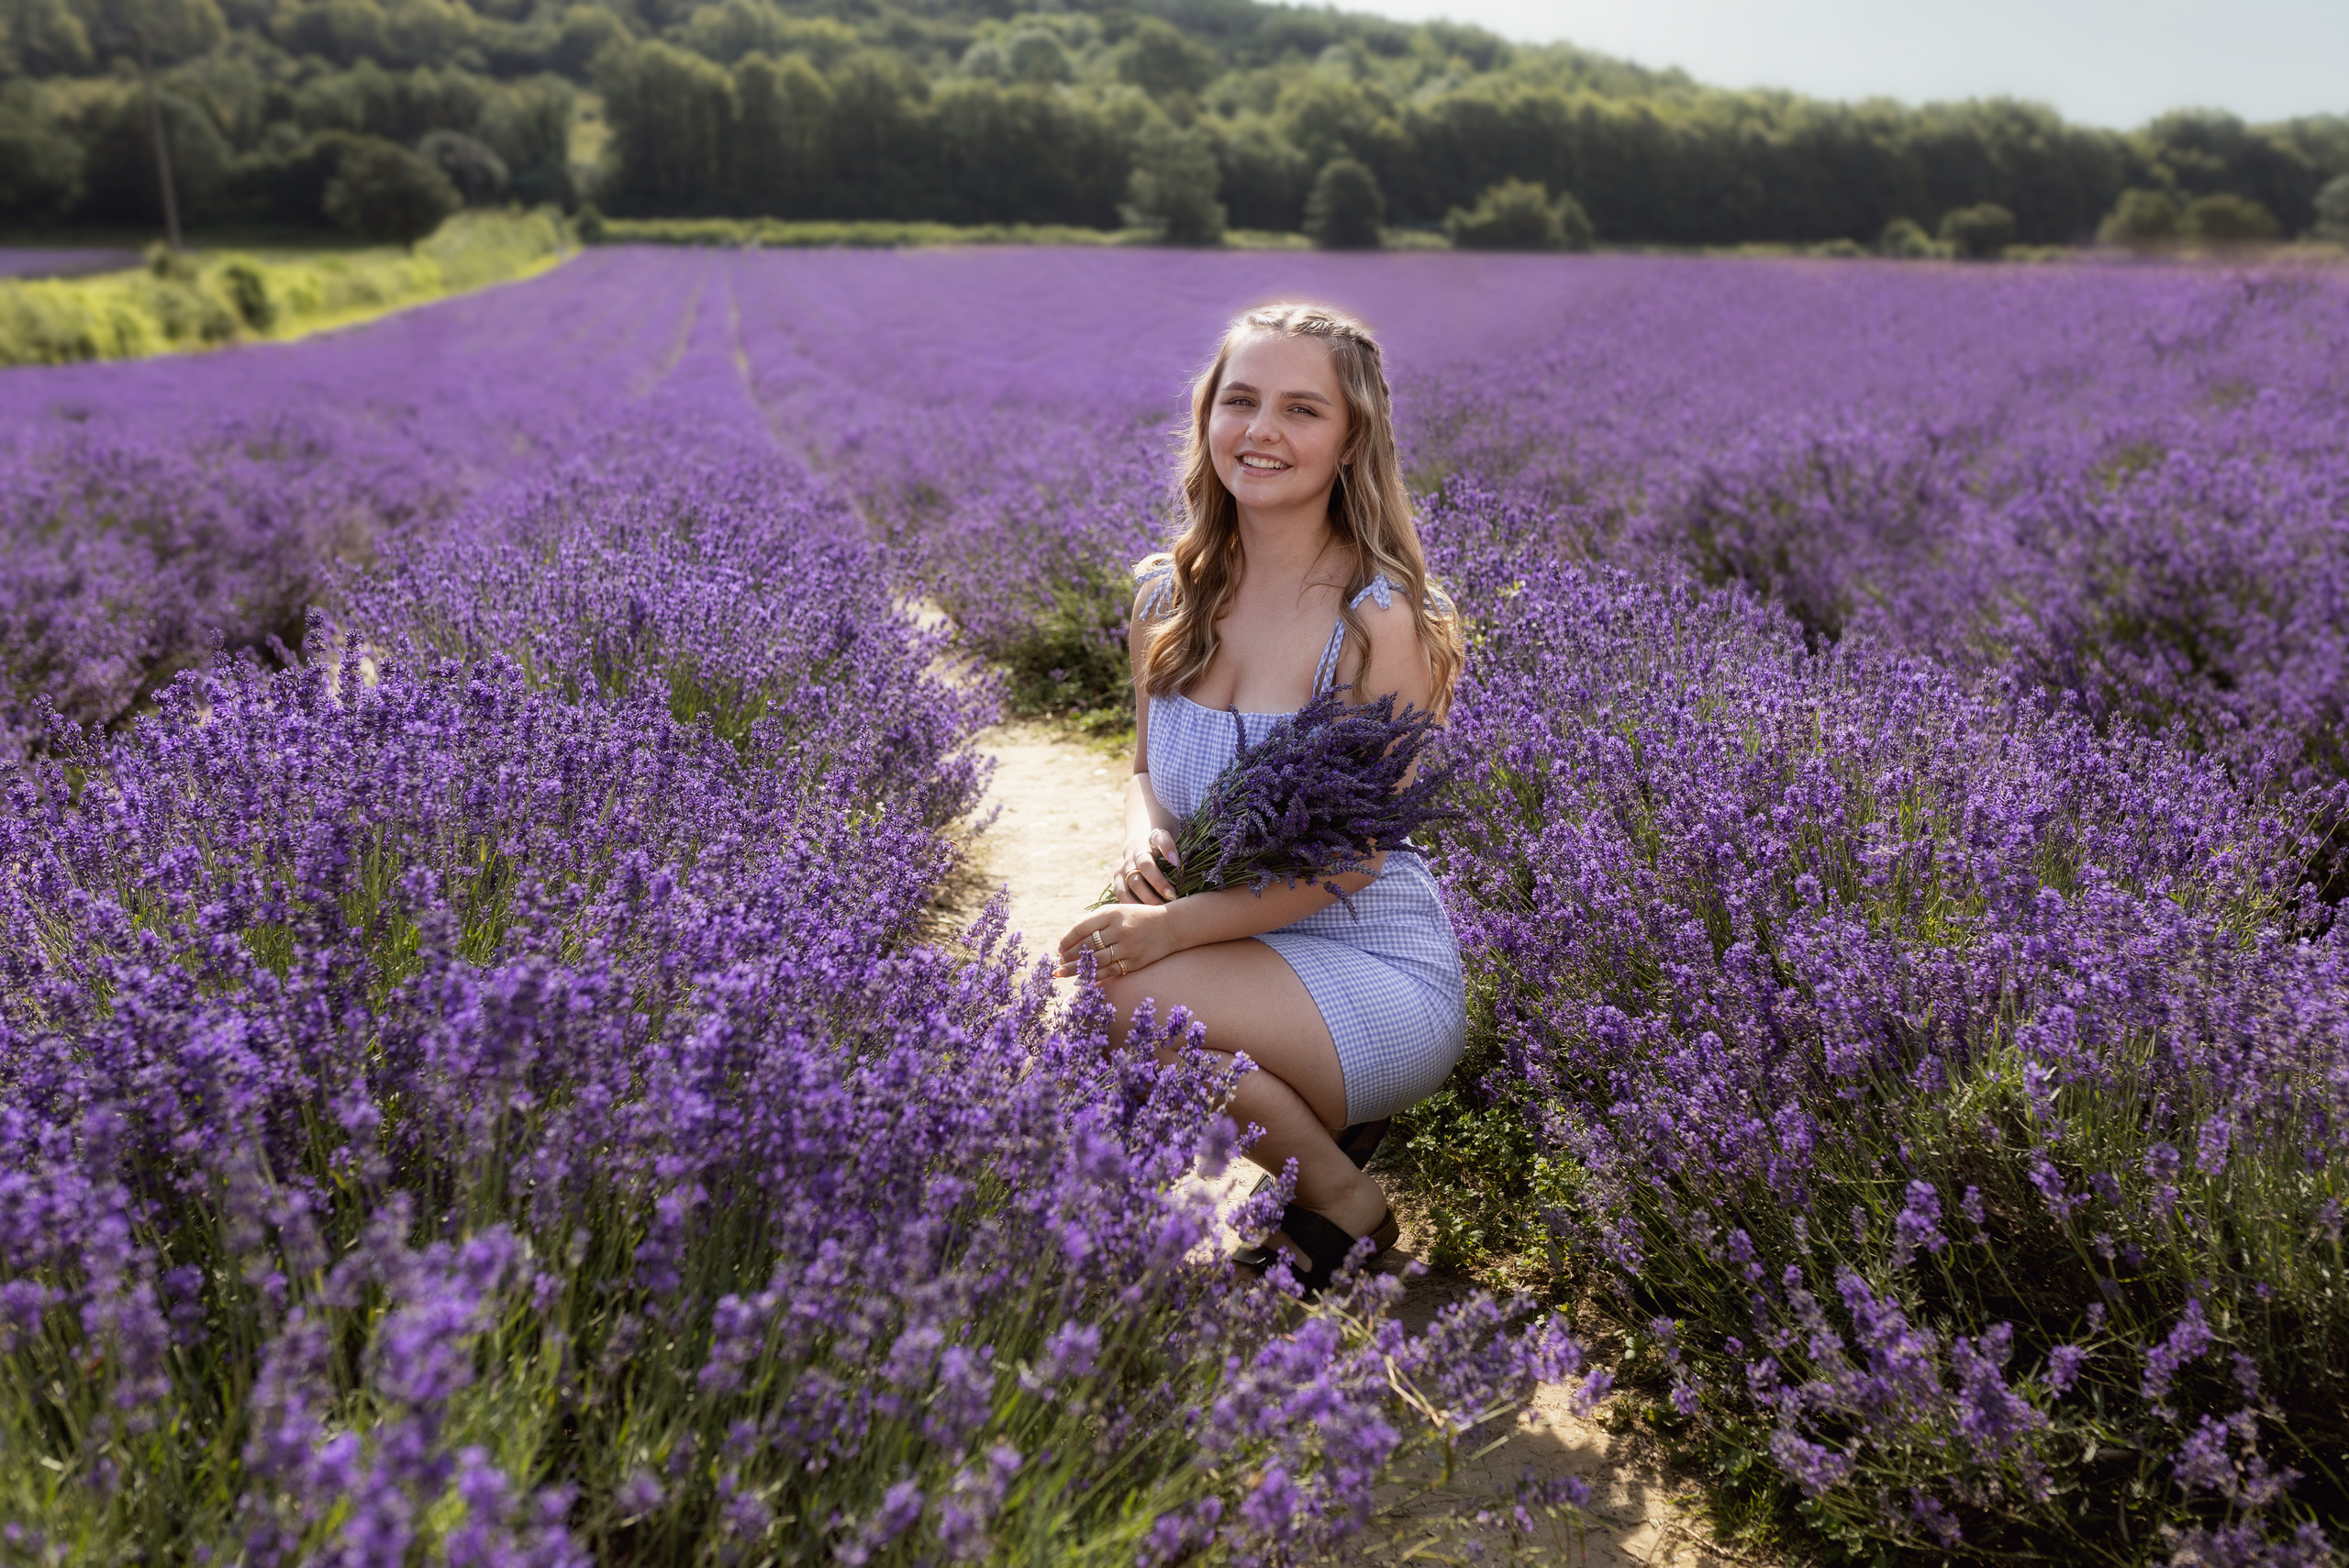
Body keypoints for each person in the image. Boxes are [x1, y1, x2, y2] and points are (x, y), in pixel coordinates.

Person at [1054, 301, 1467, 1296]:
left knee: (1123, 997)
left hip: (1373, 963)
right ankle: (1304, 1133)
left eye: (1301, 409)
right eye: (1240, 400)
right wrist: (1146, 838)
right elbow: (1146, 770)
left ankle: (1339, 1196)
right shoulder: (1167, 595)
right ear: (1207, 416)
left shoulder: (1381, 621)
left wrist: (1170, 929)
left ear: (1351, 439)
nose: (1261, 431)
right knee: (1102, 998)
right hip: (1240, 956)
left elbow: (1355, 858)